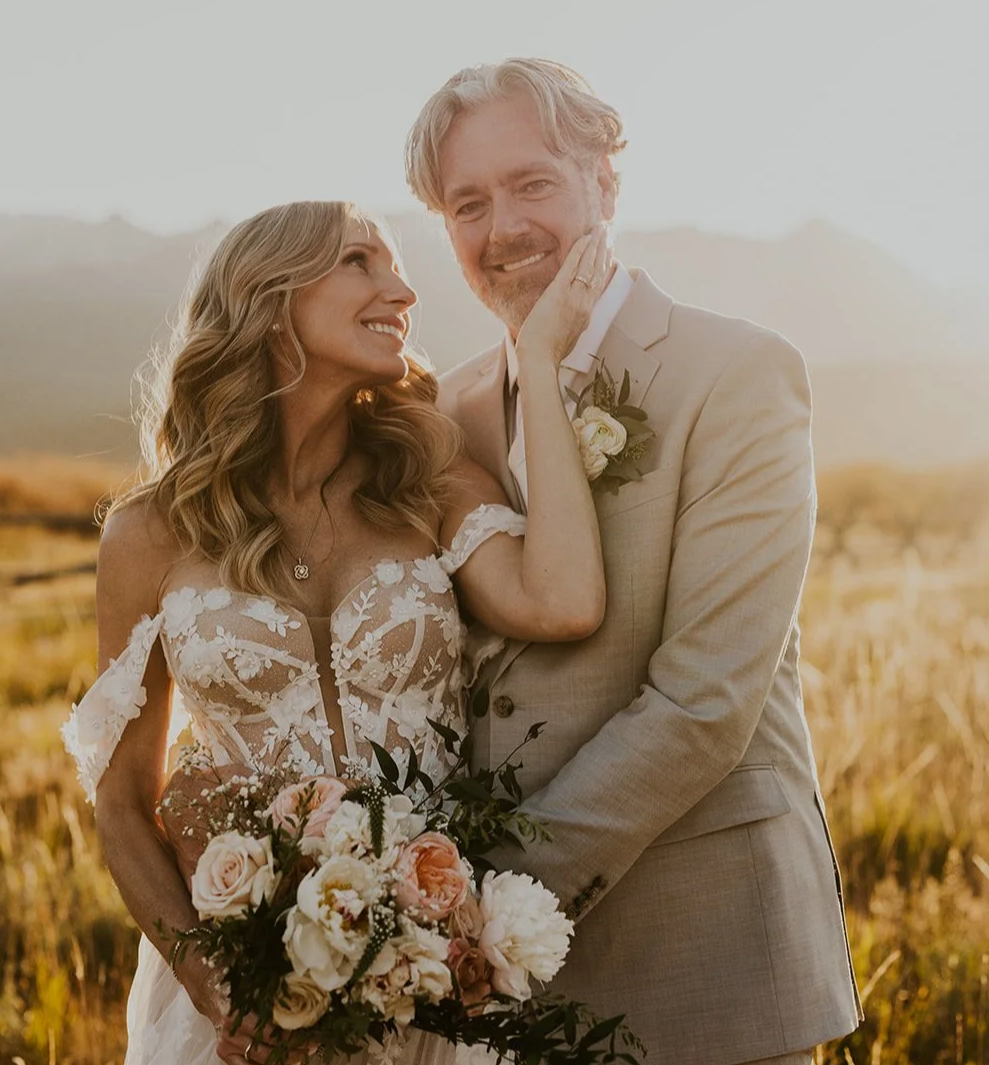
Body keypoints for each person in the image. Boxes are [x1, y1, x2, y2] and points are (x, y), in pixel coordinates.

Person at [62, 200, 614, 1065]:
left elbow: (562, 602)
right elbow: (125, 798)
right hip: (242, 989)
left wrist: (536, 363)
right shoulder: (149, 532)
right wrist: (213, 980)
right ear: (269, 293)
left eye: (395, 266)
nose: (400, 289)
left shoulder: (425, 474)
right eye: (360, 260)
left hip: (430, 974)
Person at [405, 58, 863, 1065]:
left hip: (704, 959)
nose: (502, 228)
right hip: (495, 999)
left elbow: (706, 702)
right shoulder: (453, 410)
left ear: (604, 184)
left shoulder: (735, 374)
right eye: (468, 203)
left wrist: (491, 894)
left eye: (531, 184)